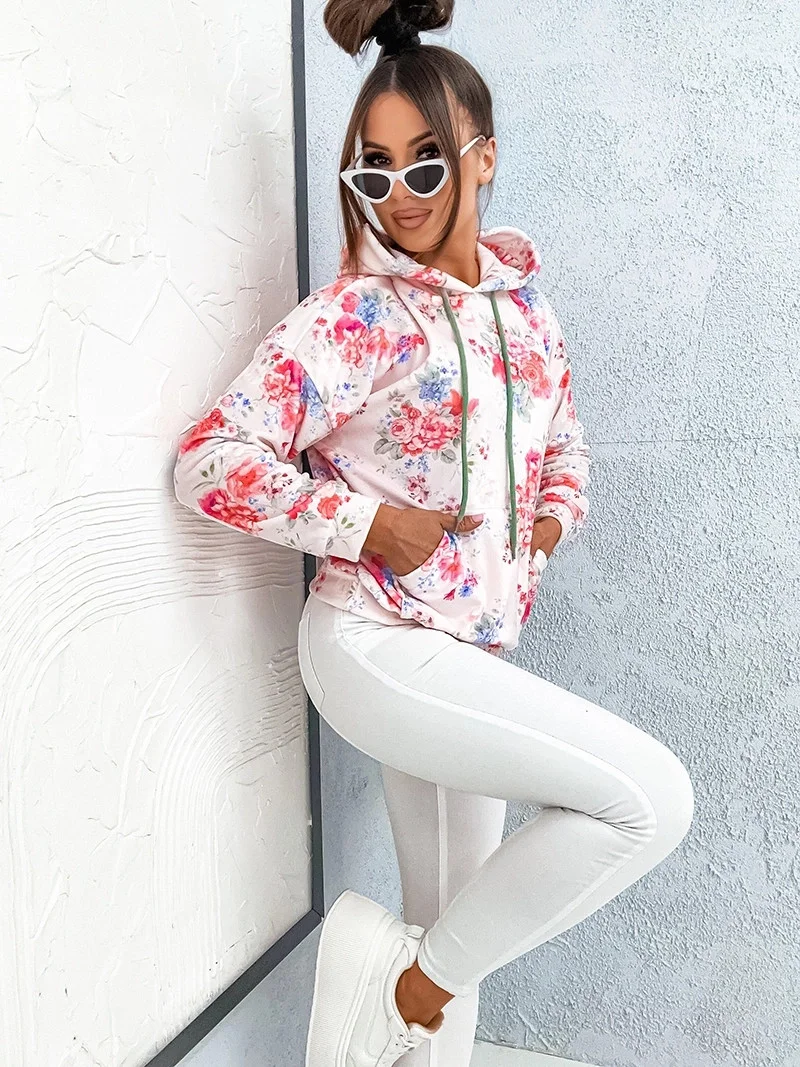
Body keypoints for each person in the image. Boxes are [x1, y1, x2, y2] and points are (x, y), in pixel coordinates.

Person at [171, 1, 696, 1064]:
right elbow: (209, 462)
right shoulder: (355, 317)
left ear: (480, 158)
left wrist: (548, 524)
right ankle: (396, 978)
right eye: (374, 170)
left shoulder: (526, 311)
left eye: (423, 163)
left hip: (472, 648)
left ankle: (411, 997)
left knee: (459, 920)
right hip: (373, 641)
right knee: (648, 802)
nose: (399, 194)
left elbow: (564, 439)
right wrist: (368, 522)